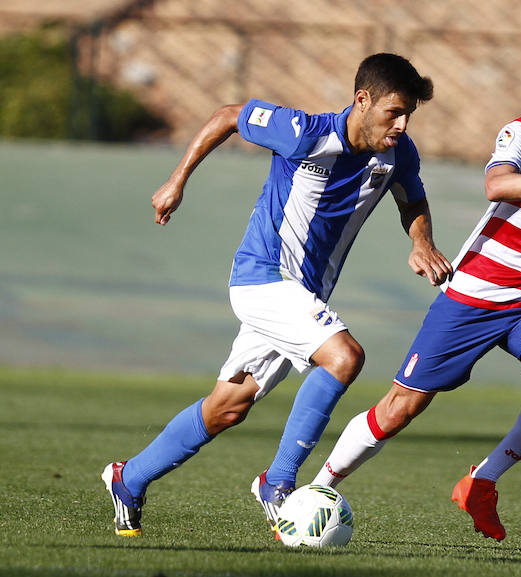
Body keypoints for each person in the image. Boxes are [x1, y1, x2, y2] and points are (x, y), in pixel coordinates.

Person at [308, 40, 521, 541]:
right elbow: (497, 185)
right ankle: (319, 487)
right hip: (476, 292)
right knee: (401, 407)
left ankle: (482, 480)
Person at [101, 53, 453, 536]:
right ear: (362, 100)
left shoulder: (398, 153)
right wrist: (176, 180)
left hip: (303, 296)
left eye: (410, 113)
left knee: (228, 406)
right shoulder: (305, 132)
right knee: (345, 357)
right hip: (261, 279)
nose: (403, 123)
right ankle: (279, 483)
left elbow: (412, 199)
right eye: (395, 111)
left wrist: (422, 242)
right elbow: (228, 115)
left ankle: (129, 478)